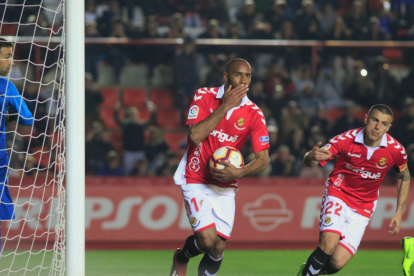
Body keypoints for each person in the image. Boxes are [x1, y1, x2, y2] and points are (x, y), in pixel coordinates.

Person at [170, 58, 269, 276]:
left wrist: (239, 172)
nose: (243, 80)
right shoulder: (203, 95)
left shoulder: (254, 113)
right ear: (226, 77)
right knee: (206, 240)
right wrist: (225, 106)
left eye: (248, 76)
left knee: (218, 247)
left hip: (225, 183)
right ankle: (181, 257)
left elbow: (263, 159)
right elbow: (195, 135)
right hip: (195, 177)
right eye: (238, 75)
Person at [297, 104, 410, 276]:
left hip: (364, 207)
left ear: (389, 127)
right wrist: (310, 157)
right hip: (338, 193)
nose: (377, 127)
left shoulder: (396, 150)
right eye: (374, 120)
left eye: (384, 124)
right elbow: (312, 159)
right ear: (366, 119)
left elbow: (404, 176)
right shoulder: (346, 139)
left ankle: (308, 270)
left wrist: (399, 211)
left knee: (337, 262)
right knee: (328, 245)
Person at [0, 38, 34, 249]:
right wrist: (10, 115)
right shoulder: (5, 85)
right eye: (7, 56)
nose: (12, 63)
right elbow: (28, 119)